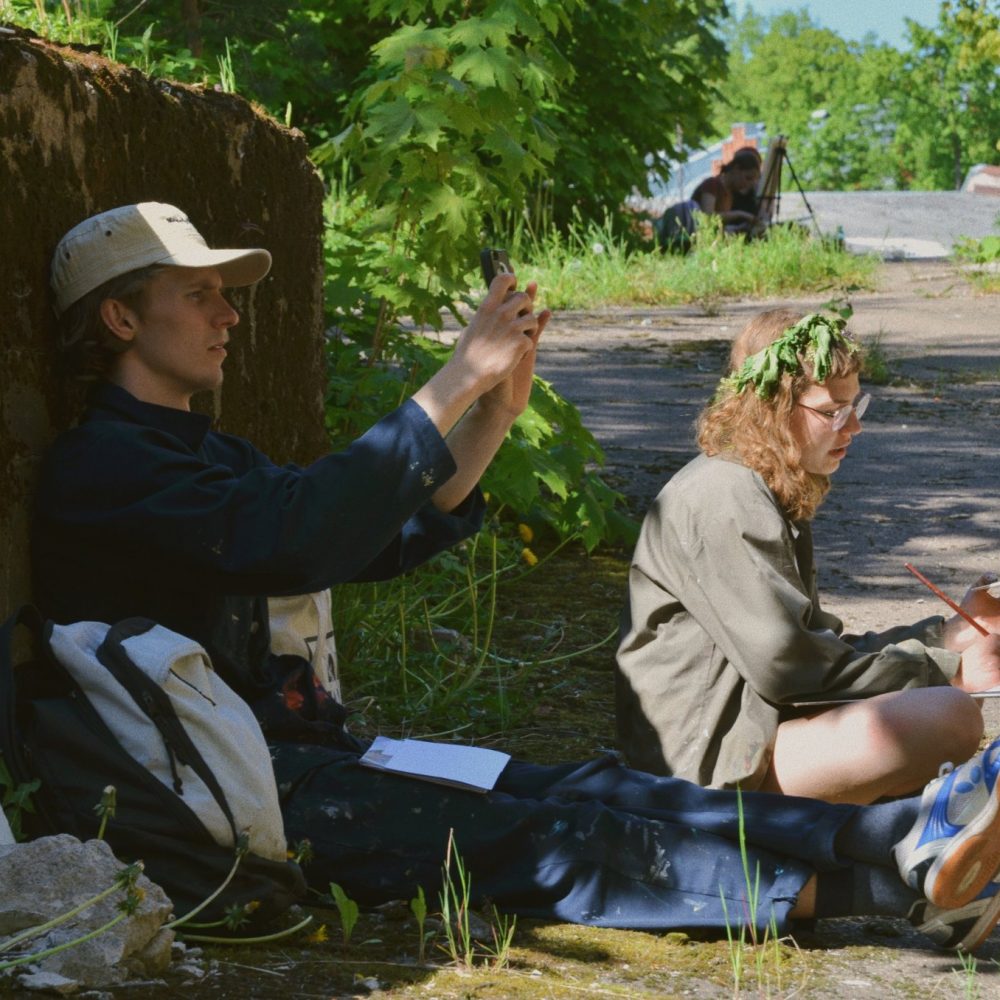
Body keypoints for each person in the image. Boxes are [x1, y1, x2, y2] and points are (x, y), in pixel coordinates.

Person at [29, 204, 1000, 952]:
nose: (227, 311)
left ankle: (892, 834)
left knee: (584, 784)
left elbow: (370, 539)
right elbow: (303, 535)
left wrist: (490, 410)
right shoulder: (104, 466)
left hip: (285, 758)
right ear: (121, 314)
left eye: (223, 290)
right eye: (197, 293)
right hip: (224, 797)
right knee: (539, 838)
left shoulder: (198, 455)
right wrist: (453, 376)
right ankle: (898, 887)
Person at [617, 308, 1000, 808]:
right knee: (948, 717)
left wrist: (945, 636)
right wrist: (947, 670)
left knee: (938, 711)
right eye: (832, 410)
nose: (854, 426)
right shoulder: (726, 497)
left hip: (749, 731)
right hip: (702, 769)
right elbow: (791, 668)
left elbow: (814, 651)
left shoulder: (757, 486)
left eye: (856, 403)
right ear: (770, 406)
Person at [655, 147, 763, 252]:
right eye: (747, 178)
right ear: (736, 169)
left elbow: (719, 227)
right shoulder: (712, 185)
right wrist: (740, 214)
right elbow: (707, 217)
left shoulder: (731, 193)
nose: (748, 184)